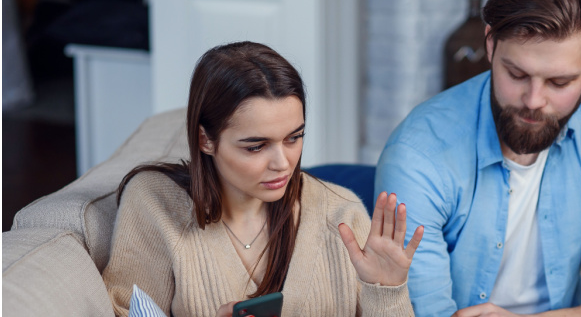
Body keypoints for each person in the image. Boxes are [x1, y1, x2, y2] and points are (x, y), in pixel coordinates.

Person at [375, 0, 581, 316]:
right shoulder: (419, 154)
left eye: (559, 82)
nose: (533, 100)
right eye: (516, 75)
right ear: (490, 44)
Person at [102, 41, 424, 317]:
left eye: (293, 138)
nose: (283, 163)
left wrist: (387, 290)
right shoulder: (155, 202)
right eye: (256, 146)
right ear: (205, 140)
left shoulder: (343, 213)